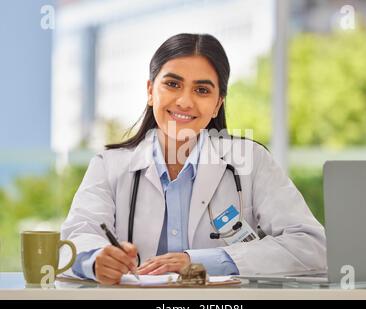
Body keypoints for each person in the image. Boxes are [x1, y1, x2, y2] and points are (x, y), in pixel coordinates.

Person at [60, 33, 326, 285]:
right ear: (151, 91)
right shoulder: (109, 165)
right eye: (172, 84)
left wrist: (198, 262)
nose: (185, 101)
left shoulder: (251, 161)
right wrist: (96, 261)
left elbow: (310, 245)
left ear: (217, 104)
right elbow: (73, 241)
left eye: (202, 90)